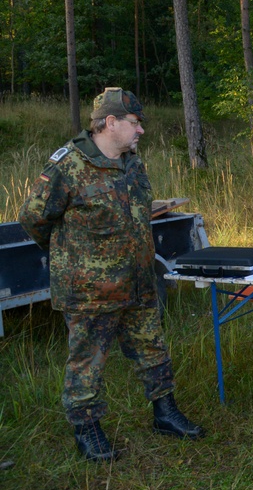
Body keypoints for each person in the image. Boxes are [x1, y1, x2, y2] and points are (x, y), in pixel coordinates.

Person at [18, 87, 204, 462]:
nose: (141, 131)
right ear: (111, 122)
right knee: (87, 361)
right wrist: (73, 259)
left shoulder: (132, 163)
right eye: (135, 124)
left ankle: (165, 413)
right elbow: (33, 219)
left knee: (152, 348)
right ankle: (87, 430)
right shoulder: (68, 166)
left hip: (138, 281)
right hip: (90, 291)